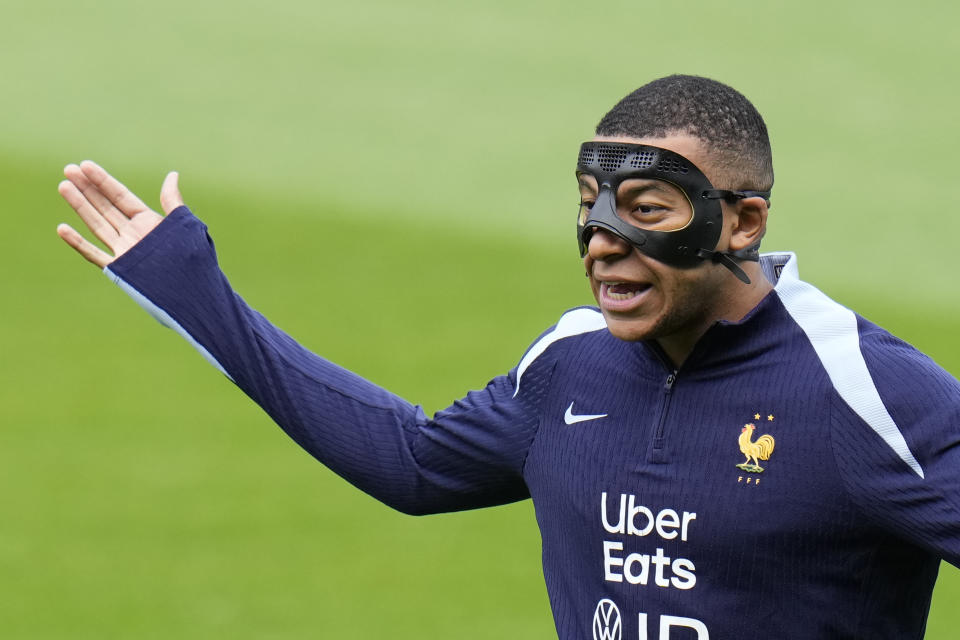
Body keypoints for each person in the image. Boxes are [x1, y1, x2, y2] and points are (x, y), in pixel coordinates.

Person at [56, 75, 960, 639]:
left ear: (744, 221)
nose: (603, 240)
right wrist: (193, 293)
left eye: (646, 209)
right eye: (590, 204)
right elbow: (411, 463)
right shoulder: (569, 365)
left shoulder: (868, 393)